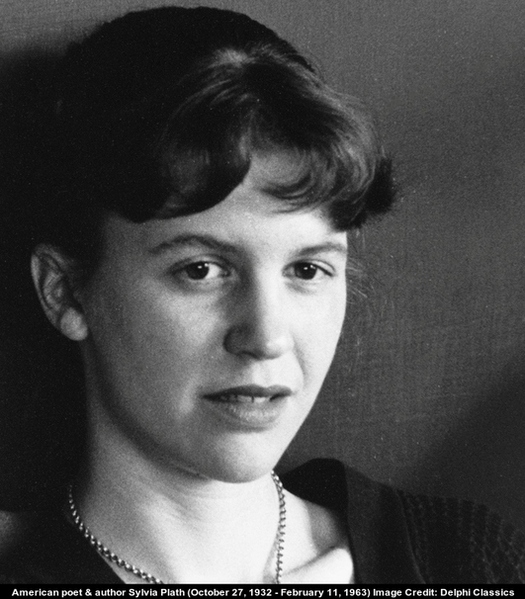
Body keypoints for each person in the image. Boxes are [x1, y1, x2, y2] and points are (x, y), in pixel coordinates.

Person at [0, 5, 523, 584]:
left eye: (307, 269)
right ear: (66, 293)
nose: (266, 338)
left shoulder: (467, 560)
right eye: (201, 270)